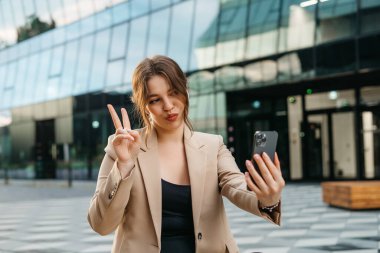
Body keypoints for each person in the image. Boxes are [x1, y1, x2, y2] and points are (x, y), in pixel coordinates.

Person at [87, 55, 285, 253]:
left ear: (185, 91)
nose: (168, 105)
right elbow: (101, 224)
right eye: (155, 100)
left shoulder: (212, 145)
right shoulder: (123, 146)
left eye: (173, 93)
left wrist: (268, 198)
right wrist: (123, 166)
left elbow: (237, 186)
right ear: (144, 107)